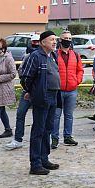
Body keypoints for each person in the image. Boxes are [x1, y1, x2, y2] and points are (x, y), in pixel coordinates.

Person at [19, 31, 61, 175]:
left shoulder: (53, 55)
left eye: (55, 40)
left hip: (54, 96)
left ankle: (44, 158)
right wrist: (31, 92)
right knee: (38, 130)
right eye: (52, 40)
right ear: (43, 42)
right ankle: (35, 163)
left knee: (48, 129)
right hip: (42, 97)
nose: (55, 42)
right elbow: (25, 77)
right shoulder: (35, 56)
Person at [6, 34, 41, 150]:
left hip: (38, 91)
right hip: (26, 90)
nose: (35, 44)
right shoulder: (27, 56)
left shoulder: (45, 56)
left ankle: (39, 140)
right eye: (33, 42)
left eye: (37, 42)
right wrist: (27, 86)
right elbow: (21, 71)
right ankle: (18, 139)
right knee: (20, 114)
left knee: (39, 117)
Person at [51, 30, 84, 148]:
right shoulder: (54, 54)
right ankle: (54, 138)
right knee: (56, 115)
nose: (68, 41)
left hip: (71, 89)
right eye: (65, 38)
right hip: (58, 90)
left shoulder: (75, 55)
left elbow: (80, 70)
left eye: (70, 39)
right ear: (60, 40)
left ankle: (68, 136)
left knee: (69, 115)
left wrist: (77, 80)